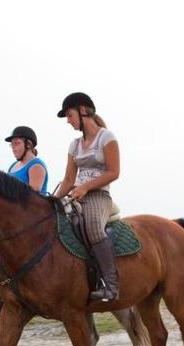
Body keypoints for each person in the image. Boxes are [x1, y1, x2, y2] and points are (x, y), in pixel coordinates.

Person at [54, 92, 121, 302]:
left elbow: (114, 172)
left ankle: (111, 286)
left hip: (99, 195)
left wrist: (86, 187)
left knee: (91, 225)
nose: (68, 120)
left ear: (83, 111)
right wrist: (53, 201)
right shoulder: (74, 145)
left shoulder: (106, 137)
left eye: (69, 115)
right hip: (76, 194)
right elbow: (67, 179)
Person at [5, 125, 49, 194]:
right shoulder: (13, 165)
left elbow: (32, 198)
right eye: (12, 144)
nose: (13, 148)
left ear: (28, 144)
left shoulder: (36, 166)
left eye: (16, 143)